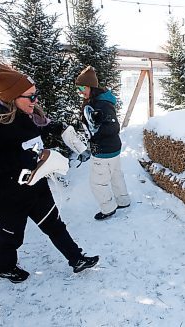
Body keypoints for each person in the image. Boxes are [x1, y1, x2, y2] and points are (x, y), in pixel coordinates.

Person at [0, 63, 99, 283]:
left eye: (36, 95)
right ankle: (5, 268)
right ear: (12, 97)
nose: (35, 101)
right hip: (5, 199)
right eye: (30, 97)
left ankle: (76, 259)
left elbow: (38, 130)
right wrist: (17, 159)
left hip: (35, 189)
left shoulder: (28, 116)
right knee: (11, 239)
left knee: (54, 224)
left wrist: (57, 128)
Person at [76, 66, 130, 220]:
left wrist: (95, 133)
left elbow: (114, 127)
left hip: (104, 150)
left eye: (82, 87)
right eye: (78, 88)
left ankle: (108, 208)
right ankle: (123, 200)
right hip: (112, 148)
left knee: (97, 183)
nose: (80, 91)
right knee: (115, 176)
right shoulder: (97, 101)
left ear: (90, 86)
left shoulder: (101, 104)